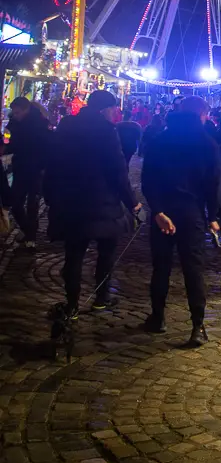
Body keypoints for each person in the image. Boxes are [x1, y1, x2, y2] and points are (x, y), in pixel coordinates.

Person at [44, 90, 139, 314]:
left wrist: (49, 194)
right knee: (106, 253)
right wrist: (132, 201)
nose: (116, 113)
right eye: (114, 108)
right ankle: (101, 297)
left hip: (70, 200)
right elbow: (117, 171)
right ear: (105, 109)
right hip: (102, 202)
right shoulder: (107, 131)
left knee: (74, 254)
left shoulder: (66, 126)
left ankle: (72, 304)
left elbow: (53, 163)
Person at [141, 95, 221, 346]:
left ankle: (158, 317)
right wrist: (213, 216)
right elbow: (214, 184)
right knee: (193, 269)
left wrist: (157, 211)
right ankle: (197, 326)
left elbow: (148, 180)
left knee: (161, 268)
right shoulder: (207, 143)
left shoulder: (159, 140)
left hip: (164, 211)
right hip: (192, 213)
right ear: (201, 115)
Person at [4, 97, 50, 249]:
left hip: (36, 168)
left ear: (26, 109)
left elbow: (45, 145)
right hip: (21, 166)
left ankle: (31, 237)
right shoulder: (14, 122)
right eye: (14, 112)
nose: (15, 115)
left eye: (17, 112)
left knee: (33, 203)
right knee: (15, 202)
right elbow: (8, 139)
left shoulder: (40, 122)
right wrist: (5, 142)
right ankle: (28, 230)